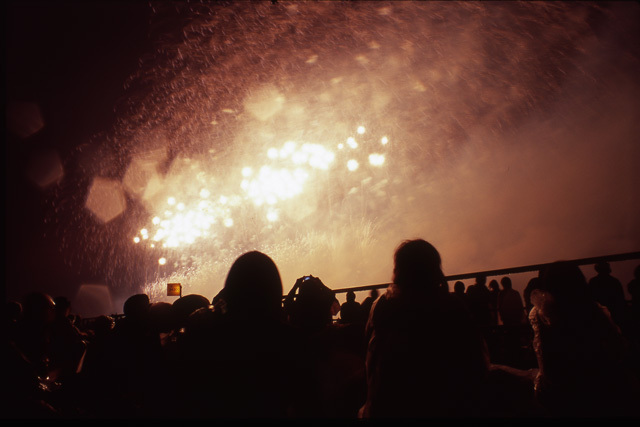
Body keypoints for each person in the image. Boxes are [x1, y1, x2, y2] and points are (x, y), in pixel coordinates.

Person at [360, 239, 489, 418]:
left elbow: (370, 359)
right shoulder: (452, 307)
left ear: (398, 270)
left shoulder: (382, 307)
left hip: (389, 407)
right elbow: (476, 365)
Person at [529, 261, 640, 417]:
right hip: (604, 389)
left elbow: (548, 368)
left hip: (566, 396)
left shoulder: (544, 316)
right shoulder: (594, 311)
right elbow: (618, 348)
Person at [588, 262, 627, 330]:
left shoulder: (593, 281)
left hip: (601, 311)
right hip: (615, 310)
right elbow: (620, 297)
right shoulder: (614, 281)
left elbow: (591, 296)